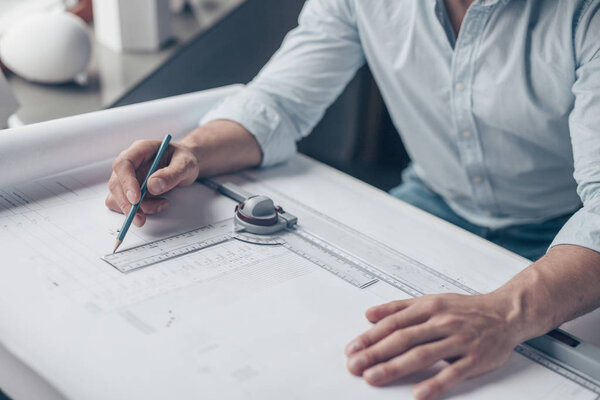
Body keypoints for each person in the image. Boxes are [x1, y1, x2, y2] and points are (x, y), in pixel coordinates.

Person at [106, 1, 600, 399]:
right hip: (430, 202)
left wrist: (506, 313)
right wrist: (192, 151)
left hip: (566, 236)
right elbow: (279, 102)